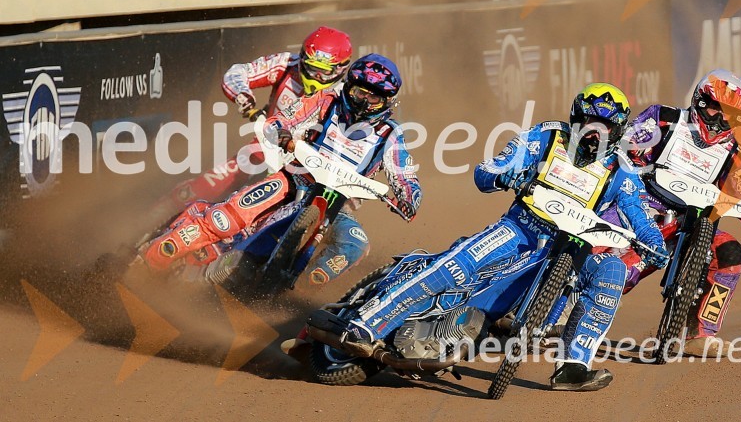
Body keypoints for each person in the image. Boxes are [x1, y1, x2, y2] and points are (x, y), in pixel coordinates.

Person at [340, 83, 668, 391]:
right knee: (455, 267)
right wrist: (504, 175)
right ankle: (368, 323)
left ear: (618, 131)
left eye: (605, 127)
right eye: (588, 124)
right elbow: (490, 168)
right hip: (519, 229)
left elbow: (639, 215)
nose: (595, 134)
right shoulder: (547, 136)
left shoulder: (622, 171)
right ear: (575, 120)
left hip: (570, 253)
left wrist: (655, 245)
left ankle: (573, 366)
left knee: (612, 270)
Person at [143, 54, 421, 287]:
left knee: (356, 244)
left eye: (373, 99)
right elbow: (282, 119)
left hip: (338, 206)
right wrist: (283, 133)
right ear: (348, 88)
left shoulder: (391, 134)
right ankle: (156, 255)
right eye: (359, 93)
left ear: (387, 102)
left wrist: (408, 198)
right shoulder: (326, 101)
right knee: (226, 218)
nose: (363, 103)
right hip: (294, 181)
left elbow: (405, 176)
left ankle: (304, 289)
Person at [616, 69, 741, 357]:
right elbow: (623, 149)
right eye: (714, 108)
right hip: (637, 208)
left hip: (688, 224)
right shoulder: (664, 118)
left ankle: (700, 333)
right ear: (699, 100)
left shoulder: (735, 154)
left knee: (730, 253)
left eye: (729, 114)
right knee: (613, 264)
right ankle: (565, 306)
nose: (719, 119)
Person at [162, 26, 353, 213]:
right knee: (203, 186)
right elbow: (236, 73)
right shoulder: (287, 64)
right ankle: (157, 215)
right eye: (311, 68)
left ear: (340, 69)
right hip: (262, 150)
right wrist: (243, 97)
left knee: (331, 211)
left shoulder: (348, 95)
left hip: (308, 167)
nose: (315, 76)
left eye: (323, 71)